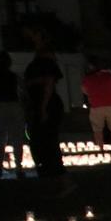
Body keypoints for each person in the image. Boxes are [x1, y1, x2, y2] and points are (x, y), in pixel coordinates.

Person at [23, 32, 66, 180]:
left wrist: (40, 108)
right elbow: (47, 84)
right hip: (44, 105)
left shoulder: (39, 65)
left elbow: (45, 84)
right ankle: (52, 175)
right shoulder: (44, 64)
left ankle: (53, 175)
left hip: (43, 106)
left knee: (44, 141)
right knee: (45, 141)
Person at [82, 58, 111, 151]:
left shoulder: (87, 79)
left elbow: (85, 91)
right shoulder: (109, 76)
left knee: (97, 130)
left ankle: (101, 149)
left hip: (96, 106)